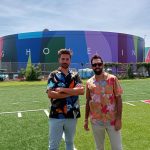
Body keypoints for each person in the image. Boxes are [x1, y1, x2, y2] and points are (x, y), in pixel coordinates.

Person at [47, 49, 84, 150]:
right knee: (53, 145)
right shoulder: (53, 75)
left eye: (67, 59)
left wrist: (63, 90)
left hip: (72, 114)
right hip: (56, 114)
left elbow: (81, 91)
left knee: (69, 142)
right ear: (59, 60)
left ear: (70, 61)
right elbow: (50, 94)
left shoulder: (75, 75)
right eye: (63, 59)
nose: (65, 61)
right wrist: (72, 92)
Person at [84, 54, 123, 150]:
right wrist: (85, 119)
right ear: (91, 66)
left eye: (99, 64)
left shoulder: (112, 79)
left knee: (117, 147)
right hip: (96, 121)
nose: (97, 66)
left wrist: (119, 119)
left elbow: (119, 99)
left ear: (103, 64)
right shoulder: (89, 82)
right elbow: (88, 101)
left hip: (112, 120)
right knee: (99, 148)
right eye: (94, 65)